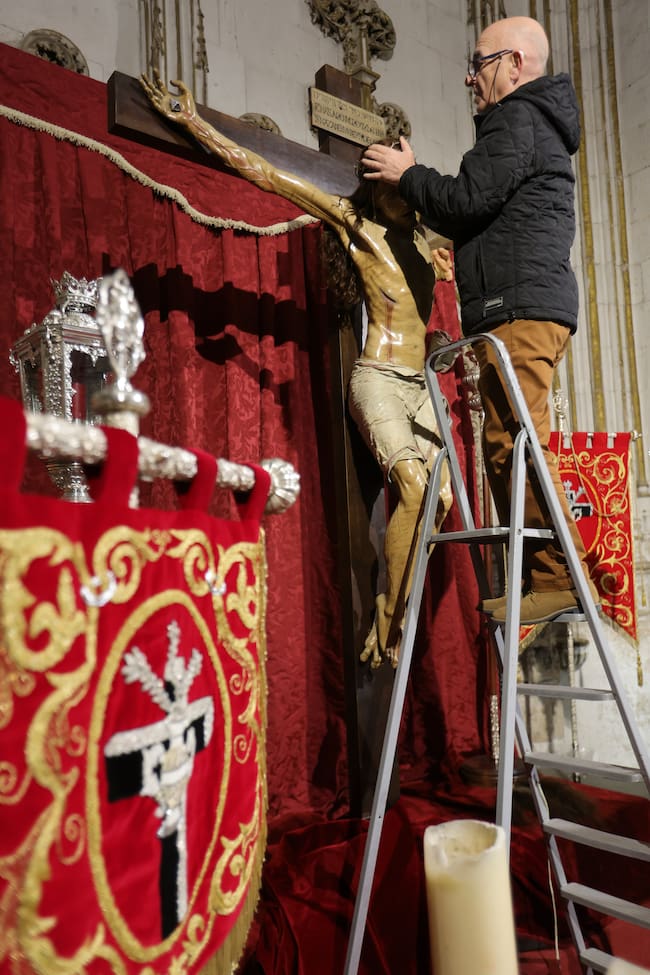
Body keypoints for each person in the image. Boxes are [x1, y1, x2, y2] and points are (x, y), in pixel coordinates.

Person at [140, 71, 453, 666]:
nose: (405, 191)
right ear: (372, 185)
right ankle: (390, 628)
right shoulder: (357, 226)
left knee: (437, 504)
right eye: (391, 181)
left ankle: (392, 609)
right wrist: (193, 123)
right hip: (380, 378)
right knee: (413, 485)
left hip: (423, 389)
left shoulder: (425, 238)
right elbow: (266, 172)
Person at [361, 15, 598, 626]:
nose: (471, 76)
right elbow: (485, 212)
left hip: (519, 311)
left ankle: (560, 578)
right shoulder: (530, 125)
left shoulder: (518, 118)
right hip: (521, 307)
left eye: (481, 62)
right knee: (509, 441)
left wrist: (405, 176)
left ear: (515, 64)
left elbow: (467, 197)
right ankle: (547, 578)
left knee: (520, 441)